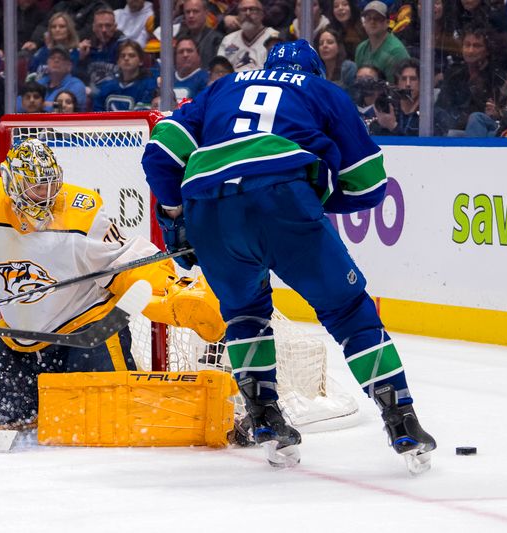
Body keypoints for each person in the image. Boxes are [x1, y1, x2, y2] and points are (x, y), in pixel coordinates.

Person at [141, 40, 436, 471]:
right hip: (284, 199)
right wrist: (313, 195)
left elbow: (160, 152)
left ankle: (264, 418)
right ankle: (401, 421)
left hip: (209, 206)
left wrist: (174, 213)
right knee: (349, 311)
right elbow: (371, 186)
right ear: (315, 71)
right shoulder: (323, 92)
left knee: (244, 314)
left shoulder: (223, 87)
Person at [0, 138, 225, 430]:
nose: (47, 197)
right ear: (12, 184)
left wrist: (177, 294)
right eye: (37, 189)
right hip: (19, 336)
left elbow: (128, 260)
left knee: (102, 419)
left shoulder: (82, 215)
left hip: (87, 330)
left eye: (52, 186)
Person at [93, 39, 155, 112]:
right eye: (122, 56)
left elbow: (142, 115)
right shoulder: (106, 87)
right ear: (118, 61)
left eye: (131, 55)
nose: (126, 58)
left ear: (141, 61)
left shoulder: (148, 86)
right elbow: (97, 114)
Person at [217, 0, 280, 72]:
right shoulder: (228, 39)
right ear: (238, 14)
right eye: (243, 10)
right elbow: (219, 70)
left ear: (262, 14)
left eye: (252, 9)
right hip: (233, 82)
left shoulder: (275, 38)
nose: (247, 13)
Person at [354, 1, 410, 82]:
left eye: (377, 18)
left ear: (387, 23)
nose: (372, 22)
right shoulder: (361, 48)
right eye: (368, 18)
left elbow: (397, 87)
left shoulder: (396, 52)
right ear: (364, 22)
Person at [23, 44, 87, 112]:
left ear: (69, 66)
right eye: (52, 57)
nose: (56, 60)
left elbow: (64, 108)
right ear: (47, 63)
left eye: (61, 58)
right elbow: (18, 105)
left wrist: (37, 105)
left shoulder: (77, 85)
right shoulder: (40, 82)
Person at [26, 11, 80, 81]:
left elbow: (73, 74)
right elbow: (32, 69)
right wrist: (48, 48)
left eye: (62, 26)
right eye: (53, 27)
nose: (57, 30)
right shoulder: (43, 50)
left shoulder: (76, 53)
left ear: (69, 30)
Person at [176, 0, 224, 69]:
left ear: (206, 13)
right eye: (187, 12)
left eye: (195, 11)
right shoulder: (179, 38)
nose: (191, 16)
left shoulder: (217, 40)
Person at [315, 25, 356, 92]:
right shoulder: (317, 71)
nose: (324, 46)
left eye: (330, 42)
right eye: (321, 43)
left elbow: (354, 97)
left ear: (339, 47)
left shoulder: (348, 68)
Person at [174, 36, 208, 100]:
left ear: (199, 56)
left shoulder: (207, 79)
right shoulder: (167, 80)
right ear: (175, 57)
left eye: (189, 51)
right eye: (181, 51)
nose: (185, 55)